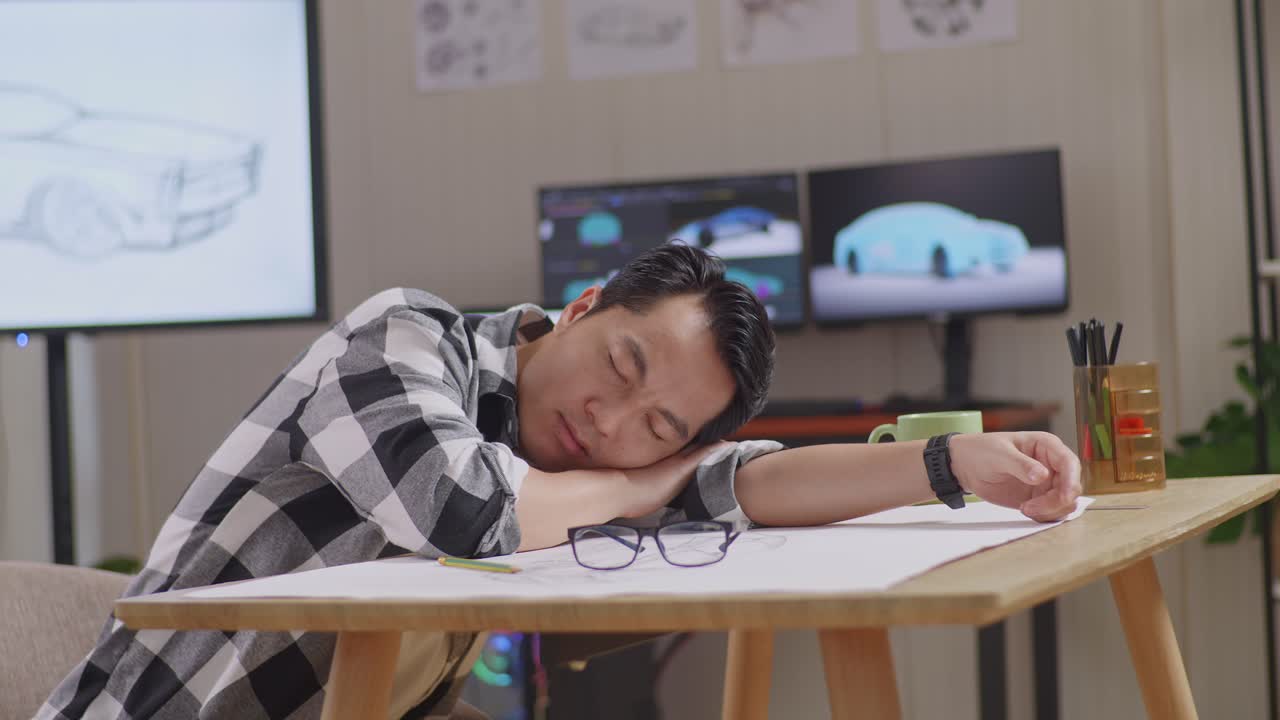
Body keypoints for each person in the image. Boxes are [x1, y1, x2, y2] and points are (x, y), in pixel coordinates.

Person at [39, 244, 1080, 719]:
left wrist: (949, 463)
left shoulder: (576, 470)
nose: (609, 424)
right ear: (581, 306)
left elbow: (751, 484)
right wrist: (644, 482)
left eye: (659, 428)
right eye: (622, 368)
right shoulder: (402, 336)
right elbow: (464, 512)